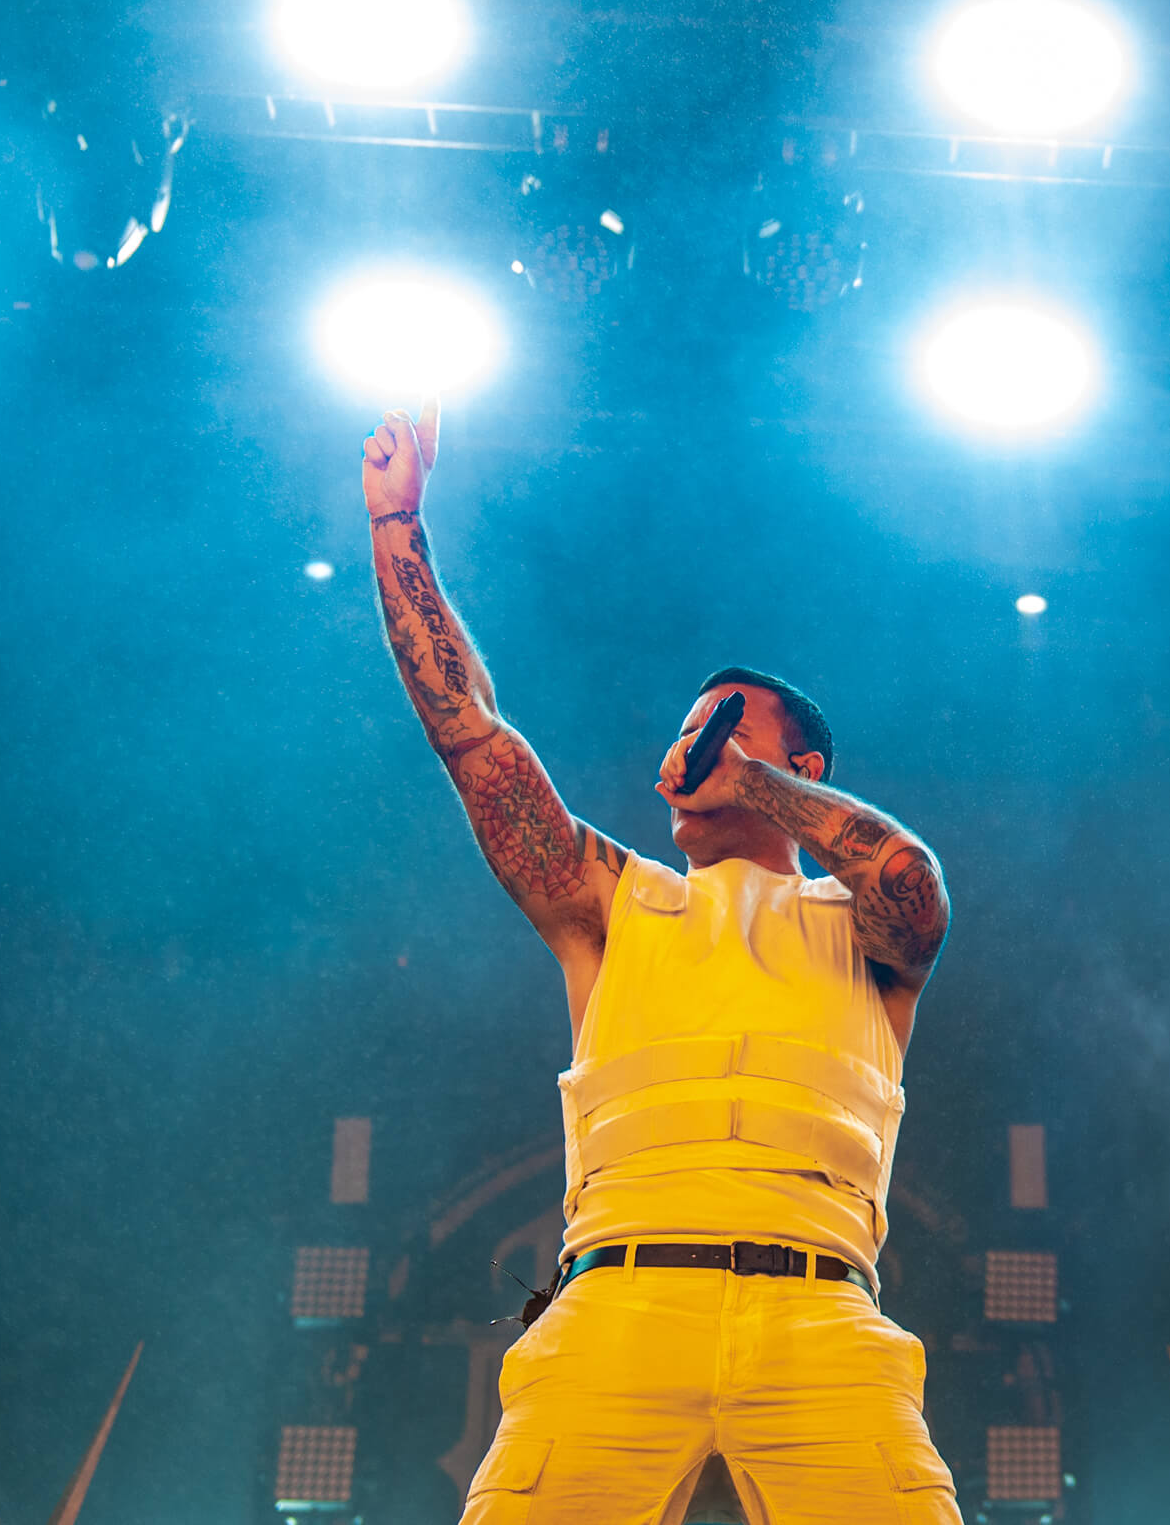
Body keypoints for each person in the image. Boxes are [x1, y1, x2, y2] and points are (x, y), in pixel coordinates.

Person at [362, 403, 960, 1524]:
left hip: (821, 1315)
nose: (686, 750)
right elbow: (471, 732)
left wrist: (753, 782)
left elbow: (910, 876)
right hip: (616, 1304)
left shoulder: (861, 928)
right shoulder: (612, 901)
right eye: (685, 735)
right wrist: (397, 526)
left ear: (803, 768)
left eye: (721, 728)